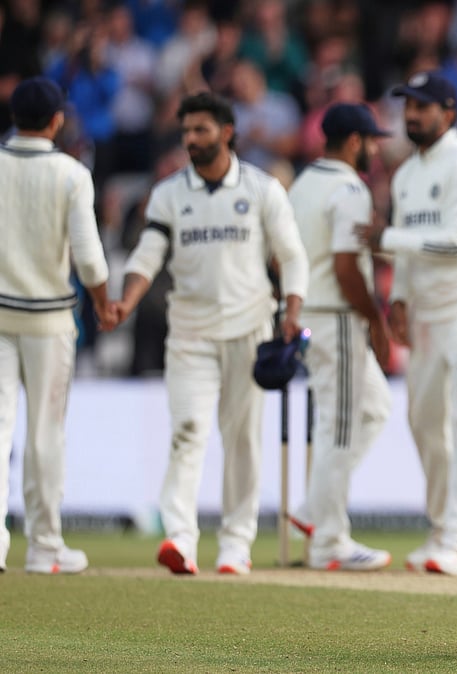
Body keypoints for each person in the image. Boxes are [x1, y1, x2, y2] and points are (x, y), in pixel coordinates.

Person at [116, 92, 309, 576]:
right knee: (187, 432)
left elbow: (291, 255)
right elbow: (147, 255)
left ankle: (235, 544)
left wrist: (292, 308)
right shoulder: (168, 194)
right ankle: (179, 538)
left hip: (249, 329)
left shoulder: (263, 188)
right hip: (190, 332)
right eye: (185, 131)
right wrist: (125, 301)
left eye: (200, 130)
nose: (190, 139)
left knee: (242, 439)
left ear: (226, 132)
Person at [359, 72, 457, 577]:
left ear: (449, 112)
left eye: (422, 106)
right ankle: (441, 529)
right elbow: (411, 248)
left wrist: (387, 238)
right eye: (407, 105)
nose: (411, 115)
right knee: (424, 425)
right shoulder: (406, 175)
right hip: (425, 319)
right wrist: (398, 298)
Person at [0, 77, 116, 575]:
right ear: (56, 121)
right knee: (46, 434)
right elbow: (89, 259)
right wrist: (105, 305)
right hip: (48, 321)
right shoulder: (71, 173)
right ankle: (44, 545)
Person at [286, 103, 394, 571]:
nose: (374, 150)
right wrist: (375, 318)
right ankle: (330, 542)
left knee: (374, 408)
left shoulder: (302, 184)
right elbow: (347, 267)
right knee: (341, 427)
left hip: (312, 314)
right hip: (337, 316)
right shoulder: (350, 188)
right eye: (371, 141)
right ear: (354, 142)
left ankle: (313, 510)